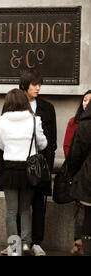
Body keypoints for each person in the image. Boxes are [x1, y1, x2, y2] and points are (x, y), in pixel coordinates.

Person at [0, 88, 47, 256]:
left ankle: (14, 246)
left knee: (11, 211)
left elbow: (1, 145)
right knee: (25, 209)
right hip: (28, 170)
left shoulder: (1, 121)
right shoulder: (34, 120)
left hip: (9, 169)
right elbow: (43, 144)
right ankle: (25, 243)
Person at [18, 69, 57, 256]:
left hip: (40, 165)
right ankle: (16, 242)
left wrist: (47, 164)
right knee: (18, 207)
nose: (38, 88)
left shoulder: (47, 108)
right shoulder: (14, 105)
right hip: (19, 164)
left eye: (39, 84)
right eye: (34, 84)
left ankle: (37, 242)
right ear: (24, 86)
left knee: (39, 205)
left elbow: (52, 140)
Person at [64, 90, 91, 256]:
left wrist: (74, 172)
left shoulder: (85, 124)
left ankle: (80, 243)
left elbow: (75, 154)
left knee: (83, 210)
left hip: (86, 174)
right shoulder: (79, 122)